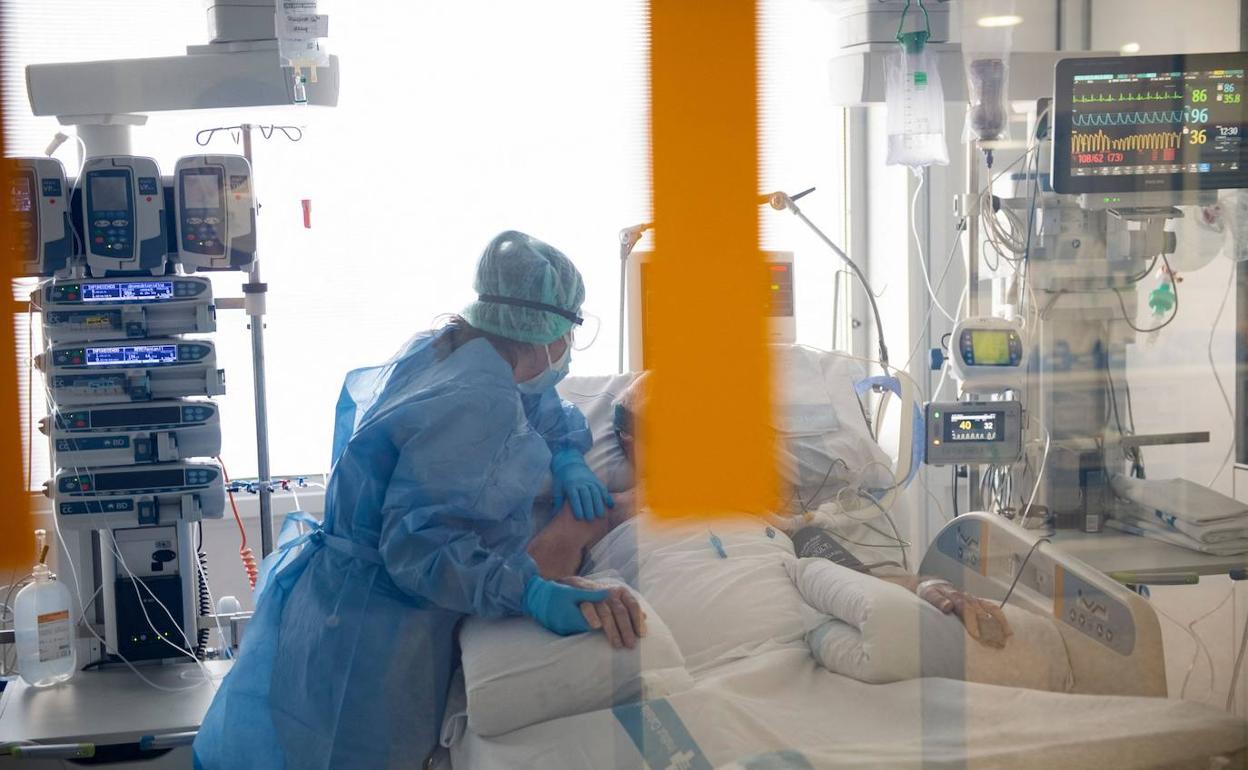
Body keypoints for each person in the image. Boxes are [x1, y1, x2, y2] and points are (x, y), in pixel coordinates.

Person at [193, 231, 645, 770]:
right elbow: (419, 547)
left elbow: (541, 404)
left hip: (330, 603)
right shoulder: (477, 402)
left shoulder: (452, 349)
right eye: (571, 328)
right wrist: (531, 593)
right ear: (542, 330)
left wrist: (569, 455)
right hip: (372, 632)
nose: (570, 345)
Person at [609, 373, 1012, 648]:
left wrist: (928, 588)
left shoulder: (767, 520)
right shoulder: (608, 513)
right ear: (630, 441)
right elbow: (570, 585)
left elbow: (856, 578)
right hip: (687, 664)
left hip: (789, 655)